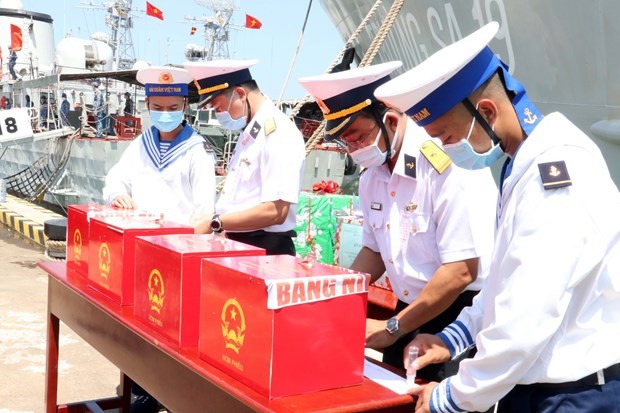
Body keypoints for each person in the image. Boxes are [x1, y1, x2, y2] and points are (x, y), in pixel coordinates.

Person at [374, 22, 620, 413]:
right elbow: (508, 282)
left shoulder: (553, 173)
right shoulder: (521, 164)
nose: (445, 149)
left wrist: (451, 397)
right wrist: (450, 339)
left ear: (485, 111)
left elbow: (524, 320)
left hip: (573, 395)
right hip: (537, 389)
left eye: (447, 137)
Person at [297, 62, 497, 381]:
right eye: (345, 143)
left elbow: (461, 270)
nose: (353, 151)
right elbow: (374, 251)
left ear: (389, 119)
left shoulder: (446, 166)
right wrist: (334, 294)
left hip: (457, 321)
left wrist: (393, 327)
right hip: (405, 315)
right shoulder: (372, 178)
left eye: (358, 137)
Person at [103, 66, 216, 413]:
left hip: (177, 259)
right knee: (136, 332)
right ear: (148, 104)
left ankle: (165, 395)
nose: (164, 115)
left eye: (171, 108)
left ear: (184, 105)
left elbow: (205, 214)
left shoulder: (198, 151)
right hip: (139, 254)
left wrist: (177, 243)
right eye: (158, 107)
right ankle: (137, 388)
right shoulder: (141, 145)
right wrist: (117, 197)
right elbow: (114, 180)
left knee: (170, 335)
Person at [184, 59, 305, 256]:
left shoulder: (278, 133)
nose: (218, 115)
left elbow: (276, 211)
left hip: (265, 251)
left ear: (240, 94)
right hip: (240, 245)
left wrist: (215, 222)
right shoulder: (250, 133)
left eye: (218, 108)